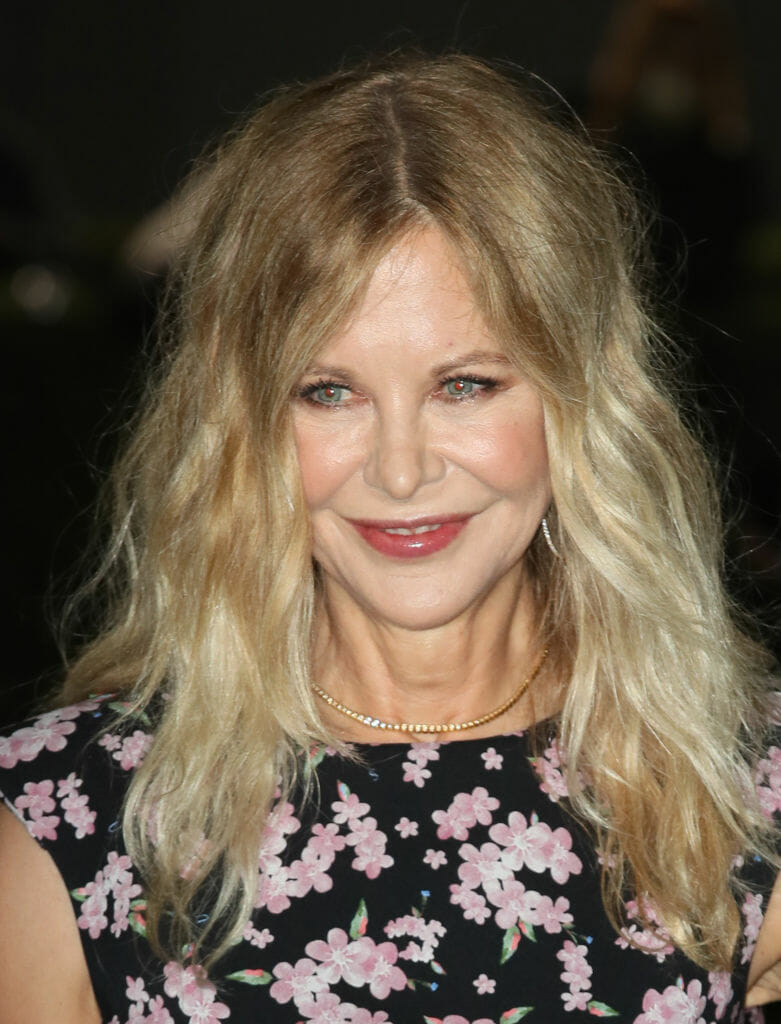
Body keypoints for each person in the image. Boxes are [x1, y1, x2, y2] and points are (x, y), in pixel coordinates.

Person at [1, 53, 780, 1023]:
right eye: (328, 392)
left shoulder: (740, 796)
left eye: (465, 384)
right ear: (241, 429)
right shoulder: (67, 828)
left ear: (579, 399)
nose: (401, 471)